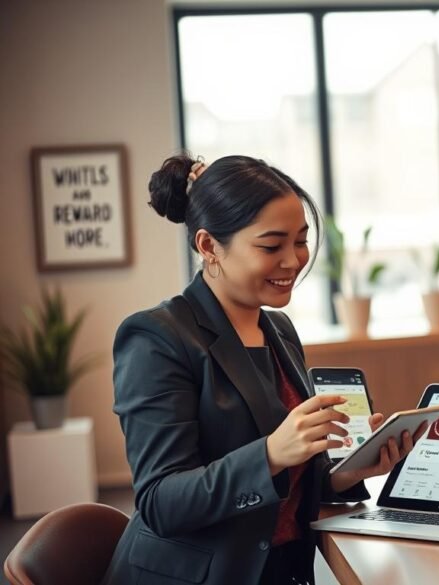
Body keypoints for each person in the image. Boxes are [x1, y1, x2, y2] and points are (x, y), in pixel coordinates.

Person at [105, 154, 422, 584]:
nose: (293, 261)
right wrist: (270, 453)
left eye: (301, 240)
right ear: (208, 245)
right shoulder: (156, 338)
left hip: (283, 570)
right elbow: (162, 501)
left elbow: (289, 481)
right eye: (271, 246)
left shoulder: (278, 328)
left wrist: (351, 471)